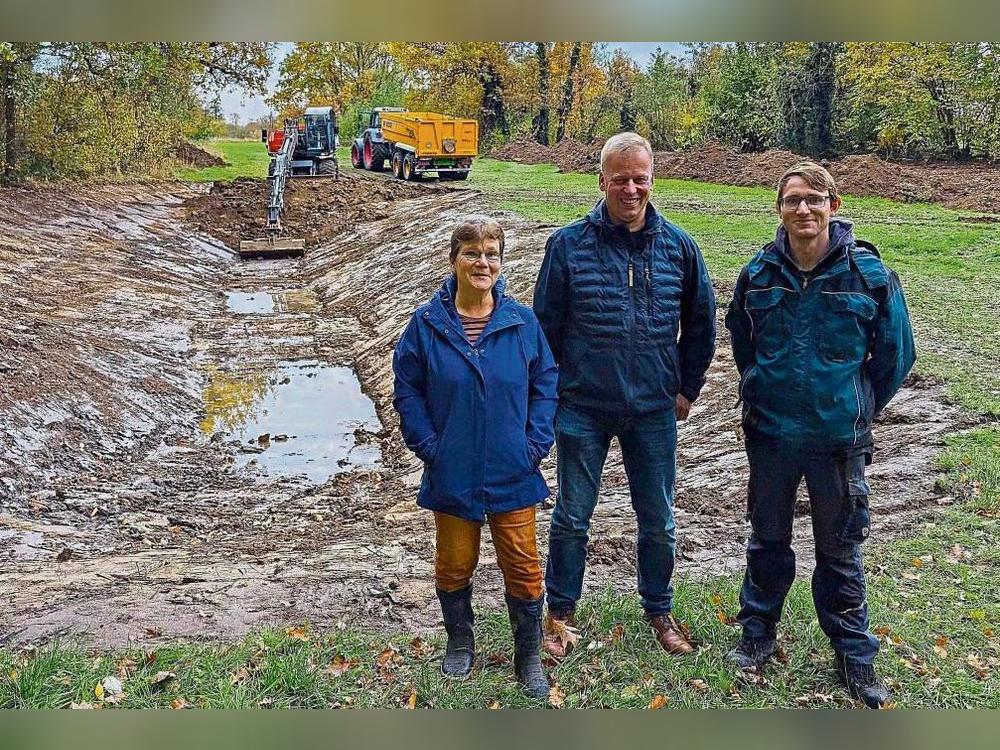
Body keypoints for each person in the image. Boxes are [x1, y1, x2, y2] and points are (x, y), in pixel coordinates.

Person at [723, 161, 916, 708]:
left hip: (837, 442)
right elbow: (743, 342)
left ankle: (856, 657)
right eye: (792, 200)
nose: (803, 209)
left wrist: (856, 406)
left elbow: (896, 357)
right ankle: (757, 636)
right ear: (778, 210)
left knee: (840, 552)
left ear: (835, 204)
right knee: (766, 542)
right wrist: (764, 387)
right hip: (770, 435)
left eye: (814, 199)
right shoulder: (758, 274)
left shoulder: (869, 276)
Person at [533, 132, 717, 657]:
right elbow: (544, 331)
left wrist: (687, 387)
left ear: (652, 180)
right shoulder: (567, 246)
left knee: (658, 518)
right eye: (620, 179)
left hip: (654, 410)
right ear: (601, 182)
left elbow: (701, 323)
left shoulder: (680, 248)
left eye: (640, 179)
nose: (631, 189)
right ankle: (560, 615)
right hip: (582, 408)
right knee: (572, 516)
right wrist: (549, 400)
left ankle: (660, 612)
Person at [392, 216, 559, 699]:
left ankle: (527, 656)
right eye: (471, 253)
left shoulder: (522, 322)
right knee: (454, 563)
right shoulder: (426, 325)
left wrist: (534, 444)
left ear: (501, 262)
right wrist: (429, 446)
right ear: (454, 260)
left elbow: (545, 384)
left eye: (491, 253)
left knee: (524, 565)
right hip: (454, 468)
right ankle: (460, 642)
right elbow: (408, 389)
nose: (482, 262)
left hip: (513, 466)